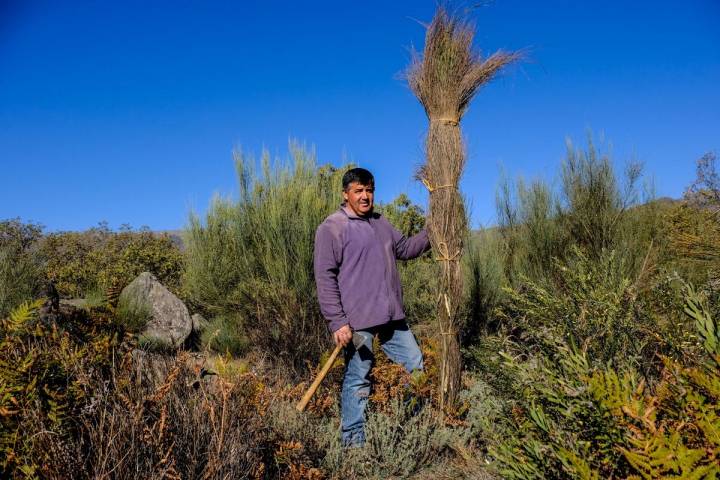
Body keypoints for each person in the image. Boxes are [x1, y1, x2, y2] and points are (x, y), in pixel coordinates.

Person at [313, 167, 431, 447]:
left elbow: (404, 249)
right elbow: (324, 276)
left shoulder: (382, 224)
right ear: (346, 194)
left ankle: (409, 427)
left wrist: (431, 233)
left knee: (414, 365)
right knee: (358, 379)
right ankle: (353, 443)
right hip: (357, 322)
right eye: (358, 191)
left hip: (391, 318)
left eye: (369, 190)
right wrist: (337, 322)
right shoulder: (332, 228)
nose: (365, 196)